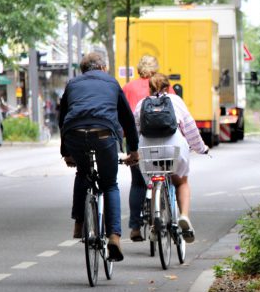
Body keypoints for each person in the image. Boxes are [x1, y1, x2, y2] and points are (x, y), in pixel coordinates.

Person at [58, 52, 139, 262]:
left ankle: (78, 223)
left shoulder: (72, 84)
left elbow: (62, 118)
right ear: (103, 68)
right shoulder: (111, 82)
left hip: (74, 133)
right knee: (110, 184)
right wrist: (134, 149)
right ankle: (114, 236)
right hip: (104, 134)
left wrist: (66, 151)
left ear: (83, 70)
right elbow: (127, 118)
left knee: (83, 172)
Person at [133, 73, 208, 243]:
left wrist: (133, 153)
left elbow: (135, 131)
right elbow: (190, 129)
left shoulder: (141, 104)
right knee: (181, 181)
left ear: (150, 88)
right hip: (174, 149)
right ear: (168, 88)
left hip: (148, 151)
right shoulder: (176, 101)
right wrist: (201, 148)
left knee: (153, 182)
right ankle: (184, 216)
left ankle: (154, 223)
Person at [123, 55, 174, 242]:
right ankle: (165, 212)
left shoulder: (128, 88)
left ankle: (135, 227)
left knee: (137, 183)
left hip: (136, 140)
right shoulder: (162, 85)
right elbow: (175, 111)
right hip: (163, 140)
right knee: (167, 174)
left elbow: (122, 113)